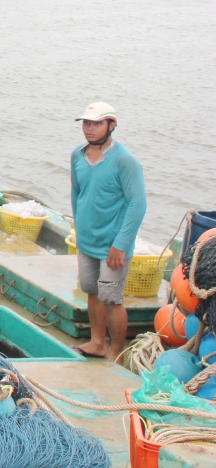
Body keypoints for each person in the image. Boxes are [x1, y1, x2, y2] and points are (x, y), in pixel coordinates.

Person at [70, 102, 147, 362]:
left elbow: (138, 204)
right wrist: (78, 229)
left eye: (96, 123)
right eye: (86, 123)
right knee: (92, 290)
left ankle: (116, 353)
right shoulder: (77, 155)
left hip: (113, 244)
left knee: (112, 298)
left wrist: (121, 244)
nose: (89, 129)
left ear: (110, 125)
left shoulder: (124, 160)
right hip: (87, 240)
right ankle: (97, 343)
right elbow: (77, 193)